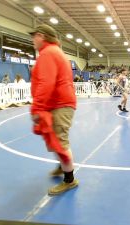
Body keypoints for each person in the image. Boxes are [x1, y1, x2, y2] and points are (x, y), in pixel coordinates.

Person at [29, 24, 78, 195]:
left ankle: (69, 179)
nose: (32, 40)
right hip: (58, 103)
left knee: (60, 141)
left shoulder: (48, 54)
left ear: (41, 36)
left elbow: (46, 83)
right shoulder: (54, 52)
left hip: (59, 104)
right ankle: (61, 166)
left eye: (34, 36)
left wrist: (37, 108)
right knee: (54, 138)